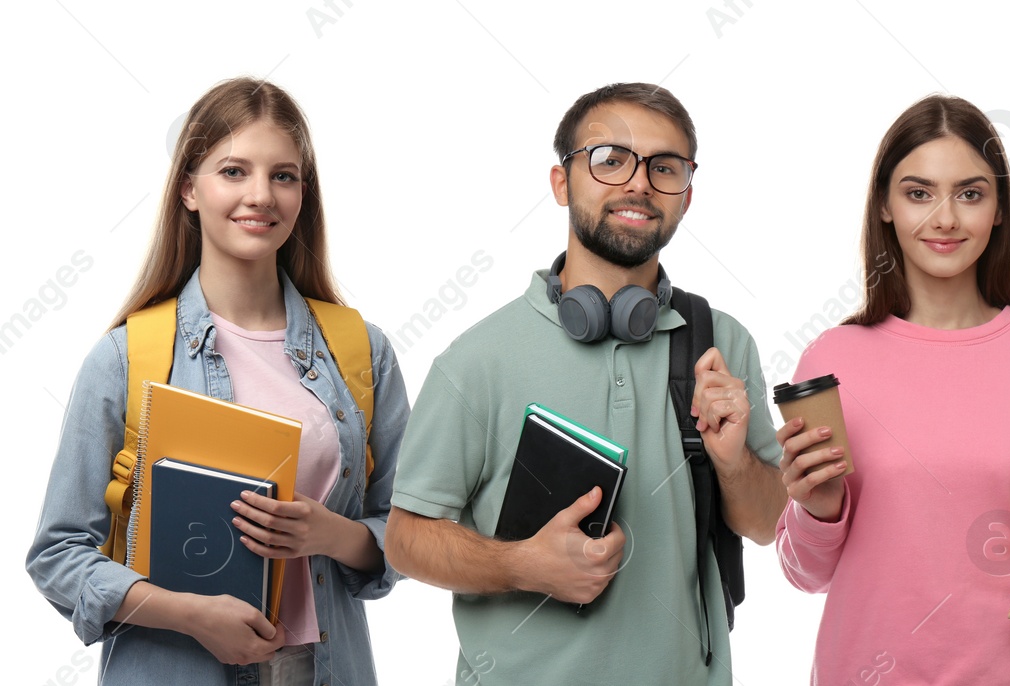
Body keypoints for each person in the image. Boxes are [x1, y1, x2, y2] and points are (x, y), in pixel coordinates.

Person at [384, 82, 787, 686]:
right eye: (611, 159)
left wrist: (733, 463)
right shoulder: (477, 359)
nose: (639, 183)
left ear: (687, 196)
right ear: (560, 182)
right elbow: (406, 539)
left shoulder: (721, 343)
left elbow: (769, 522)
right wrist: (523, 565)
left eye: (664, 167)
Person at [25, 77, 410, 685]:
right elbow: (57, 554)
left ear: (302, 195)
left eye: (283, 175)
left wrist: (333, 533)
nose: (261, 195)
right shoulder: (128, 357)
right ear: (188, 189)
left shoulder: (363, 352)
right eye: (234, 171)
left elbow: (409, 532)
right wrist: (192, 615)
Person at [773, 94, 1010, 684]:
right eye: (918, 193)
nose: (944, 218)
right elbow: (804, 574)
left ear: (999, 209)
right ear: (885, 208)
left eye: (969, 193)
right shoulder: (831, 359)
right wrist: (817, 510)